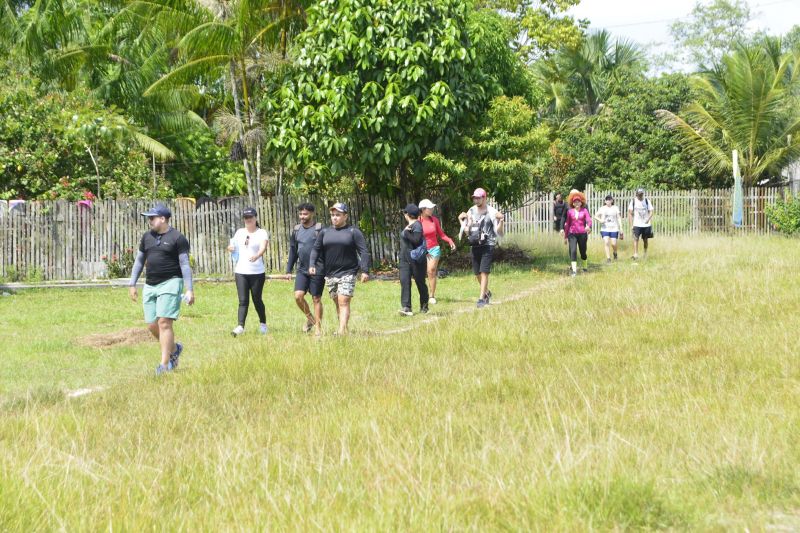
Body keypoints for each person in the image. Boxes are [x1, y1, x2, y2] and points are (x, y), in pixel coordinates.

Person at [128, 203, 194, 375]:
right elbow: (139, 261)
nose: (149, 221)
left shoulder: (177, 238)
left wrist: (189, 289)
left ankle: (164, 365)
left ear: (163, 219)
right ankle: (174, 349)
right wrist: (132, 284)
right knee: (152, 325)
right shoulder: (147, 237)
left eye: (152, 218)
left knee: (164, 323)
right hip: (150, 284)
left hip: (171, 282)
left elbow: (185, 264)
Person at [309, 203, 370, 335]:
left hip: (348, 272)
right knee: (337, 302)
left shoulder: (353, 232)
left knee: (343, 301)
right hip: (330, 274)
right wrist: (312, 264)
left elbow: (363, 251)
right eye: (332, 215)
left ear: (345, 216)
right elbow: (316, 249)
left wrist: (364, 271)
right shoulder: (325, 232)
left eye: (338, 215)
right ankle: (344, 328)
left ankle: (341, 331)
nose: (334, 218)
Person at [458, 188, 504, 308]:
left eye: (478, 197)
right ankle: (487, 292)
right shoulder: (471, 211)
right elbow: (467, 231)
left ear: (484, 198)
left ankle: (481, 298)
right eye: (474, 197)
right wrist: (461, 221)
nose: (476, 200)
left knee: (484, 272)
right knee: (477, 273)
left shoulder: (492, 211)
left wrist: (501, 221)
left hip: (487, 245)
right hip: (474, 245)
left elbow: (499, 232)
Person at [227, 207, 269, 337]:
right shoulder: (239, 232)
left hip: (257, 272)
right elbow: (232, 246)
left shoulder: (261, 232)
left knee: (257, 299)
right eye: (246, 217)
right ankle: (240, 326)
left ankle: (263, 324)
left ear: (255, 218)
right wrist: (230, 248)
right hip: (241, 271)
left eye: (250, 217)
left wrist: (257, 255)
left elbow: (263, 247)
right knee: (243, 301)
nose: (248, 220)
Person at [286, 202, 325, 335]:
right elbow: (293, 251)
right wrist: (288, 270)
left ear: (312, 214)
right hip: (302, 269)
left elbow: (326, 250)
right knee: (298, 296)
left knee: (316, 298)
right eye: (300, 213)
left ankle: (318, 329)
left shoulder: (319, 229)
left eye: (305, 214)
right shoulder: (296, 230)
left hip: (317, 268)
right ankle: (310, 318)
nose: (302, 216)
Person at [417, 199, 455, 305]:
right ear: (423, 210)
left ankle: (432, 295)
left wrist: (450, 241)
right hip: (422, 250)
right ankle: (423, 294)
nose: (432, 209)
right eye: (430, 208)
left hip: (434, 249)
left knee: (431, 270)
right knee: (420, 273)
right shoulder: (417, 221)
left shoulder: (434, 220)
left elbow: (441, 234)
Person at [398, 203, 429, 316]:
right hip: (405, 259)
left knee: (420, 282)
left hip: (416, 260)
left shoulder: (417, 225)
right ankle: (406, 307)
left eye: (405, 212)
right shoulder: (411, 225)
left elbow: (416, 240)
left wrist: (406, 232)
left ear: (407, 214)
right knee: (405, 281)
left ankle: (424, 306)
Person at [563, 190, 592, 276]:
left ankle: (585, 267)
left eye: (578, 201)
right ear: (573, 203)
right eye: (575, 201)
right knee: (573, 251)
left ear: (581, 202)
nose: (576, 203)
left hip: (582, 234)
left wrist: (588, 226)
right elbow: (567, 224)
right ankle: (574, 271)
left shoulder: (585, 210)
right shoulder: (569, 211)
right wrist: (565, 237)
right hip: (572, 234)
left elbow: (589, 220)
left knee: (583, 252)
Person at [595, 195, 623, 262]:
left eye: (610, 199)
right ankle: (608, 258)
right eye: (607, 200)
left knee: (613, 243)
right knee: (606, 242)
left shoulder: (615, 208)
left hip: (614, 228)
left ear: (612, 201)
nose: (608, 201)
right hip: (605, 228)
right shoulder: (602, 208)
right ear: (605, 201)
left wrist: (621, 228)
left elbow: (619, 218)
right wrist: (600, 220)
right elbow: (595, 216)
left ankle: (615, 253)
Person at [628, 187, 654, 260]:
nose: (640, 196)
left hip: (646, 224)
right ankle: (635, 254)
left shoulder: (647, 201)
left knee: (645, 239)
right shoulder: (633, 201)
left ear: (643, 194)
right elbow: (629, 213)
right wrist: (631, 225)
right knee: (635, 238)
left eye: (641, 194)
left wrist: (648, 219)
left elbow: (651, 211)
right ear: (636, 194)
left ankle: (645, 253)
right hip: (637, 224)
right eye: (639, 194)